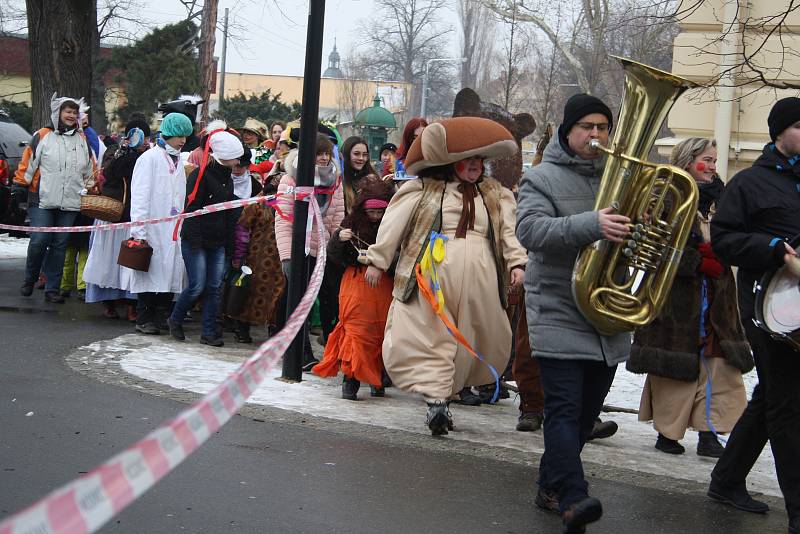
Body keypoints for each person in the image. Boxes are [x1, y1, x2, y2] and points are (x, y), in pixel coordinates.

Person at [364, 116, 527, 435]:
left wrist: (516, 264)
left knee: (467, 340)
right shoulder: (424, 189)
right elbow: (393, 226)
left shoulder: (495, 194)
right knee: (432, 337)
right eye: (468, 159)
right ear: (450, 161)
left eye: (480, 159)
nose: (475, 165)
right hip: (434, 277)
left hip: (480, 280)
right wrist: (377, 260)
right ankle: (437, 401)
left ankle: (444, 396)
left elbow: (509, 233)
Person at [515, 94, 632, 532]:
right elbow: (530, 231)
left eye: (603, 127)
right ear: (567, 132)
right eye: (587, 126)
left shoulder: (622, 180)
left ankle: (550, 484)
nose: (596, 135)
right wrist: (593, 224)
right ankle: (574, 497)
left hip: (605, 315)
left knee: (585, 416)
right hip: (559, 309)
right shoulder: (541, 177)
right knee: (563, 412)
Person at [627, 137, 753, 458]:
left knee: (717, 363)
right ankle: (668, 432)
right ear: (687, 160)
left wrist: (724, 253)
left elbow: (736, 237)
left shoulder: (724, 198)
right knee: (675, 367)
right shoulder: (666, 196)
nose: (712, 166)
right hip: (675, 298)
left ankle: (709, 432)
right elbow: (653, 248)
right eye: (706, 160)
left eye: (714, 160)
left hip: (716, 295)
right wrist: (695, 260)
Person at [709, 97, 800, 531]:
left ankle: (726, 480)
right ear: (779, 132)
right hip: (766, 310)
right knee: (787, 405)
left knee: (773, 396)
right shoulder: (748, 184)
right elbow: (724, 241)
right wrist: (770, 248)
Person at [313, 180, 395, 399]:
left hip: (384, 284)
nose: (376, 216)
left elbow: (403, 256)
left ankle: (377, 375)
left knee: (381, 333)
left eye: (381, 211)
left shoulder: (395, 227)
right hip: (356, 282)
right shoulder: (351, 223)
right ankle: (351, 378)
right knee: (355, 331)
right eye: (372, 211)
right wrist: (339, 240)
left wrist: (381, 263)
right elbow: (333, 255)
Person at [15, 94, 95, 303]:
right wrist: (20, 185)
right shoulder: (43, 135)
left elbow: (89, 170)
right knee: (40, 240)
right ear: (57, 113)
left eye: (74, 112)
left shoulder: (81, 140)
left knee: (60, 245)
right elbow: (29, 162)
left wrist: (89, 189)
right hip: (41, 199)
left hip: (70, 202)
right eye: (67, 111)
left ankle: (52, 288)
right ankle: (30, 278)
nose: (71, 115)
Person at [274, 133, 345, 369]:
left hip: (322, 249)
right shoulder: (291, 179)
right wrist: (287, 255)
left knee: (317, 299)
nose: (324, 158)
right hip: (297, 247)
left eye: (327, 153)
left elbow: (337, 217)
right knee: (296, 300)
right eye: (319, 153)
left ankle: (310, 348)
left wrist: (334, 250)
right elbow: (283, 220)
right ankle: (298, 351)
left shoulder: (335, 179)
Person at [120, 112, 194, 334]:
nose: (183, 141)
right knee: (149, 271)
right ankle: (144, 317)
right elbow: (140, 196)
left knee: (169, 271)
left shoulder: (179, 160)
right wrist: (139, 230)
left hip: (172, 228)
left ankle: (162, 314)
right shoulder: (149, 158)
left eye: (185, 136)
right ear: (169, 133)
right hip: (152, 227)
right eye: (179, 135)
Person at [167, 130, 242, 346]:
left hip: (217, 241)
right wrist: (197, 241)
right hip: (196, 240)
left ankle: (209, 332)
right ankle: (175, 318)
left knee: (214, 287)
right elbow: (192, 212)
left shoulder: (228, 180)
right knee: (197, 285)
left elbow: (229, 215)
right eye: (236, 157)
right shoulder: (199, 176)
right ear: (225, 156)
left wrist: (229, 246)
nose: (238, 161)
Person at [83, 119, 150, 321]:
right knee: (108, 262)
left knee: (131, 262)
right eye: (140, 136)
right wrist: (127, 152)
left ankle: (132, 305)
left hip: (134, 216)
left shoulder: (150, 155)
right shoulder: (115, 152)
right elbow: (110, 173)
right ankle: (108, 303)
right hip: (112, 214)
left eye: (146, 137)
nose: (144, 141)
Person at [340, 136, 378, 214]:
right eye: (356, 154)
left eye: (365, 155)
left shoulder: (373, 179)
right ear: (347, 155)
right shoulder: (339, 180)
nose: (361, 158)